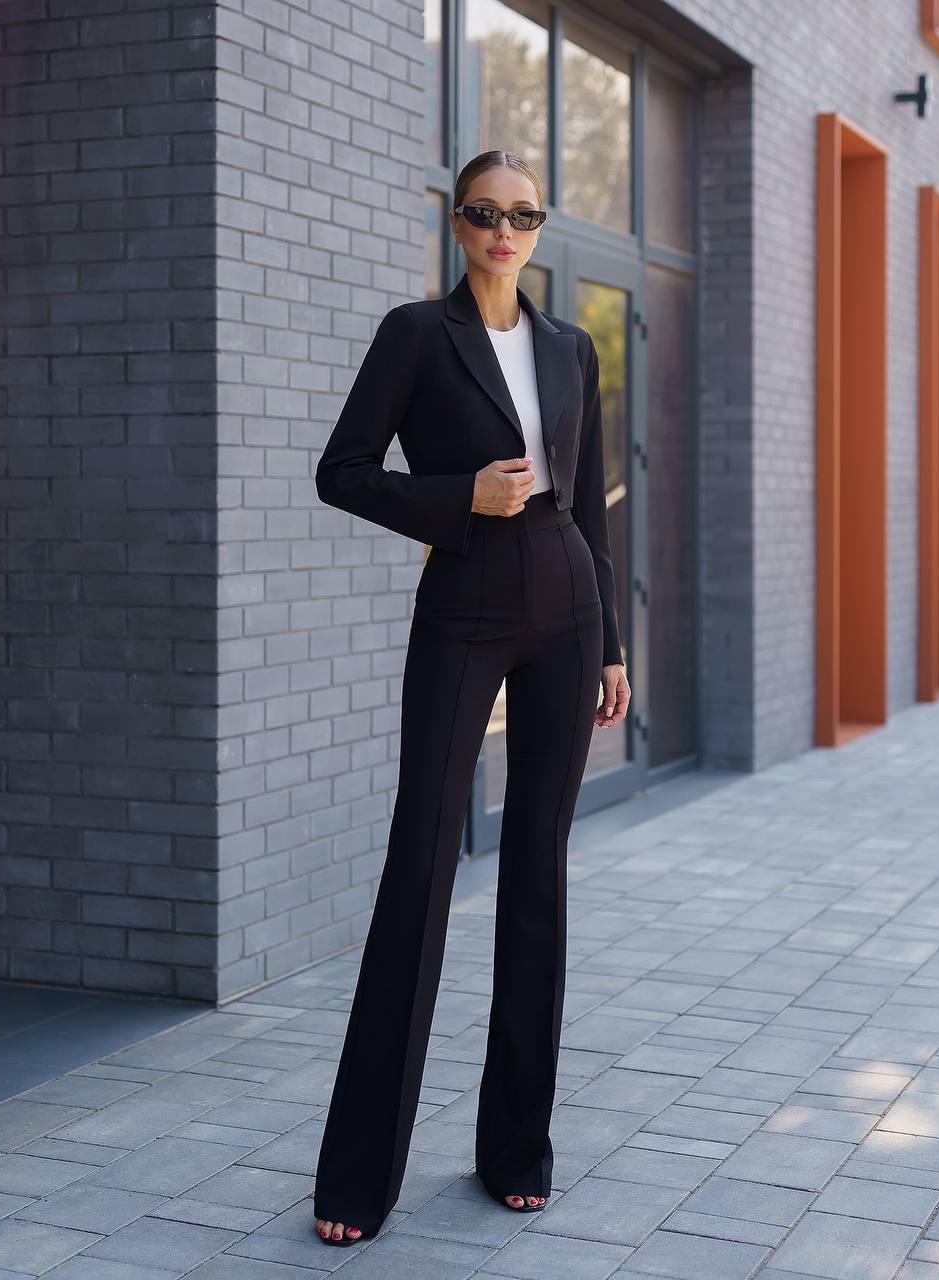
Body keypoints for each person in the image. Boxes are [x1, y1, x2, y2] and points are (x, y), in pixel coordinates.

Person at [311, 149, 631, 1247]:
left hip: (569, 607)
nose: (505, 231)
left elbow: (588, 503)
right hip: (465, 604)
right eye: (486, 213)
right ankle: (357, 1175)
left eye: (525, 214)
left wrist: (613, 647)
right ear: (456, 222)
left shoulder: (570, 345)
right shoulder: (415, 334)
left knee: (538, 873)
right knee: (421, 867)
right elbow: (342, 470)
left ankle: (516, 1150)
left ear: (541, 226)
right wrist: (461, 496)